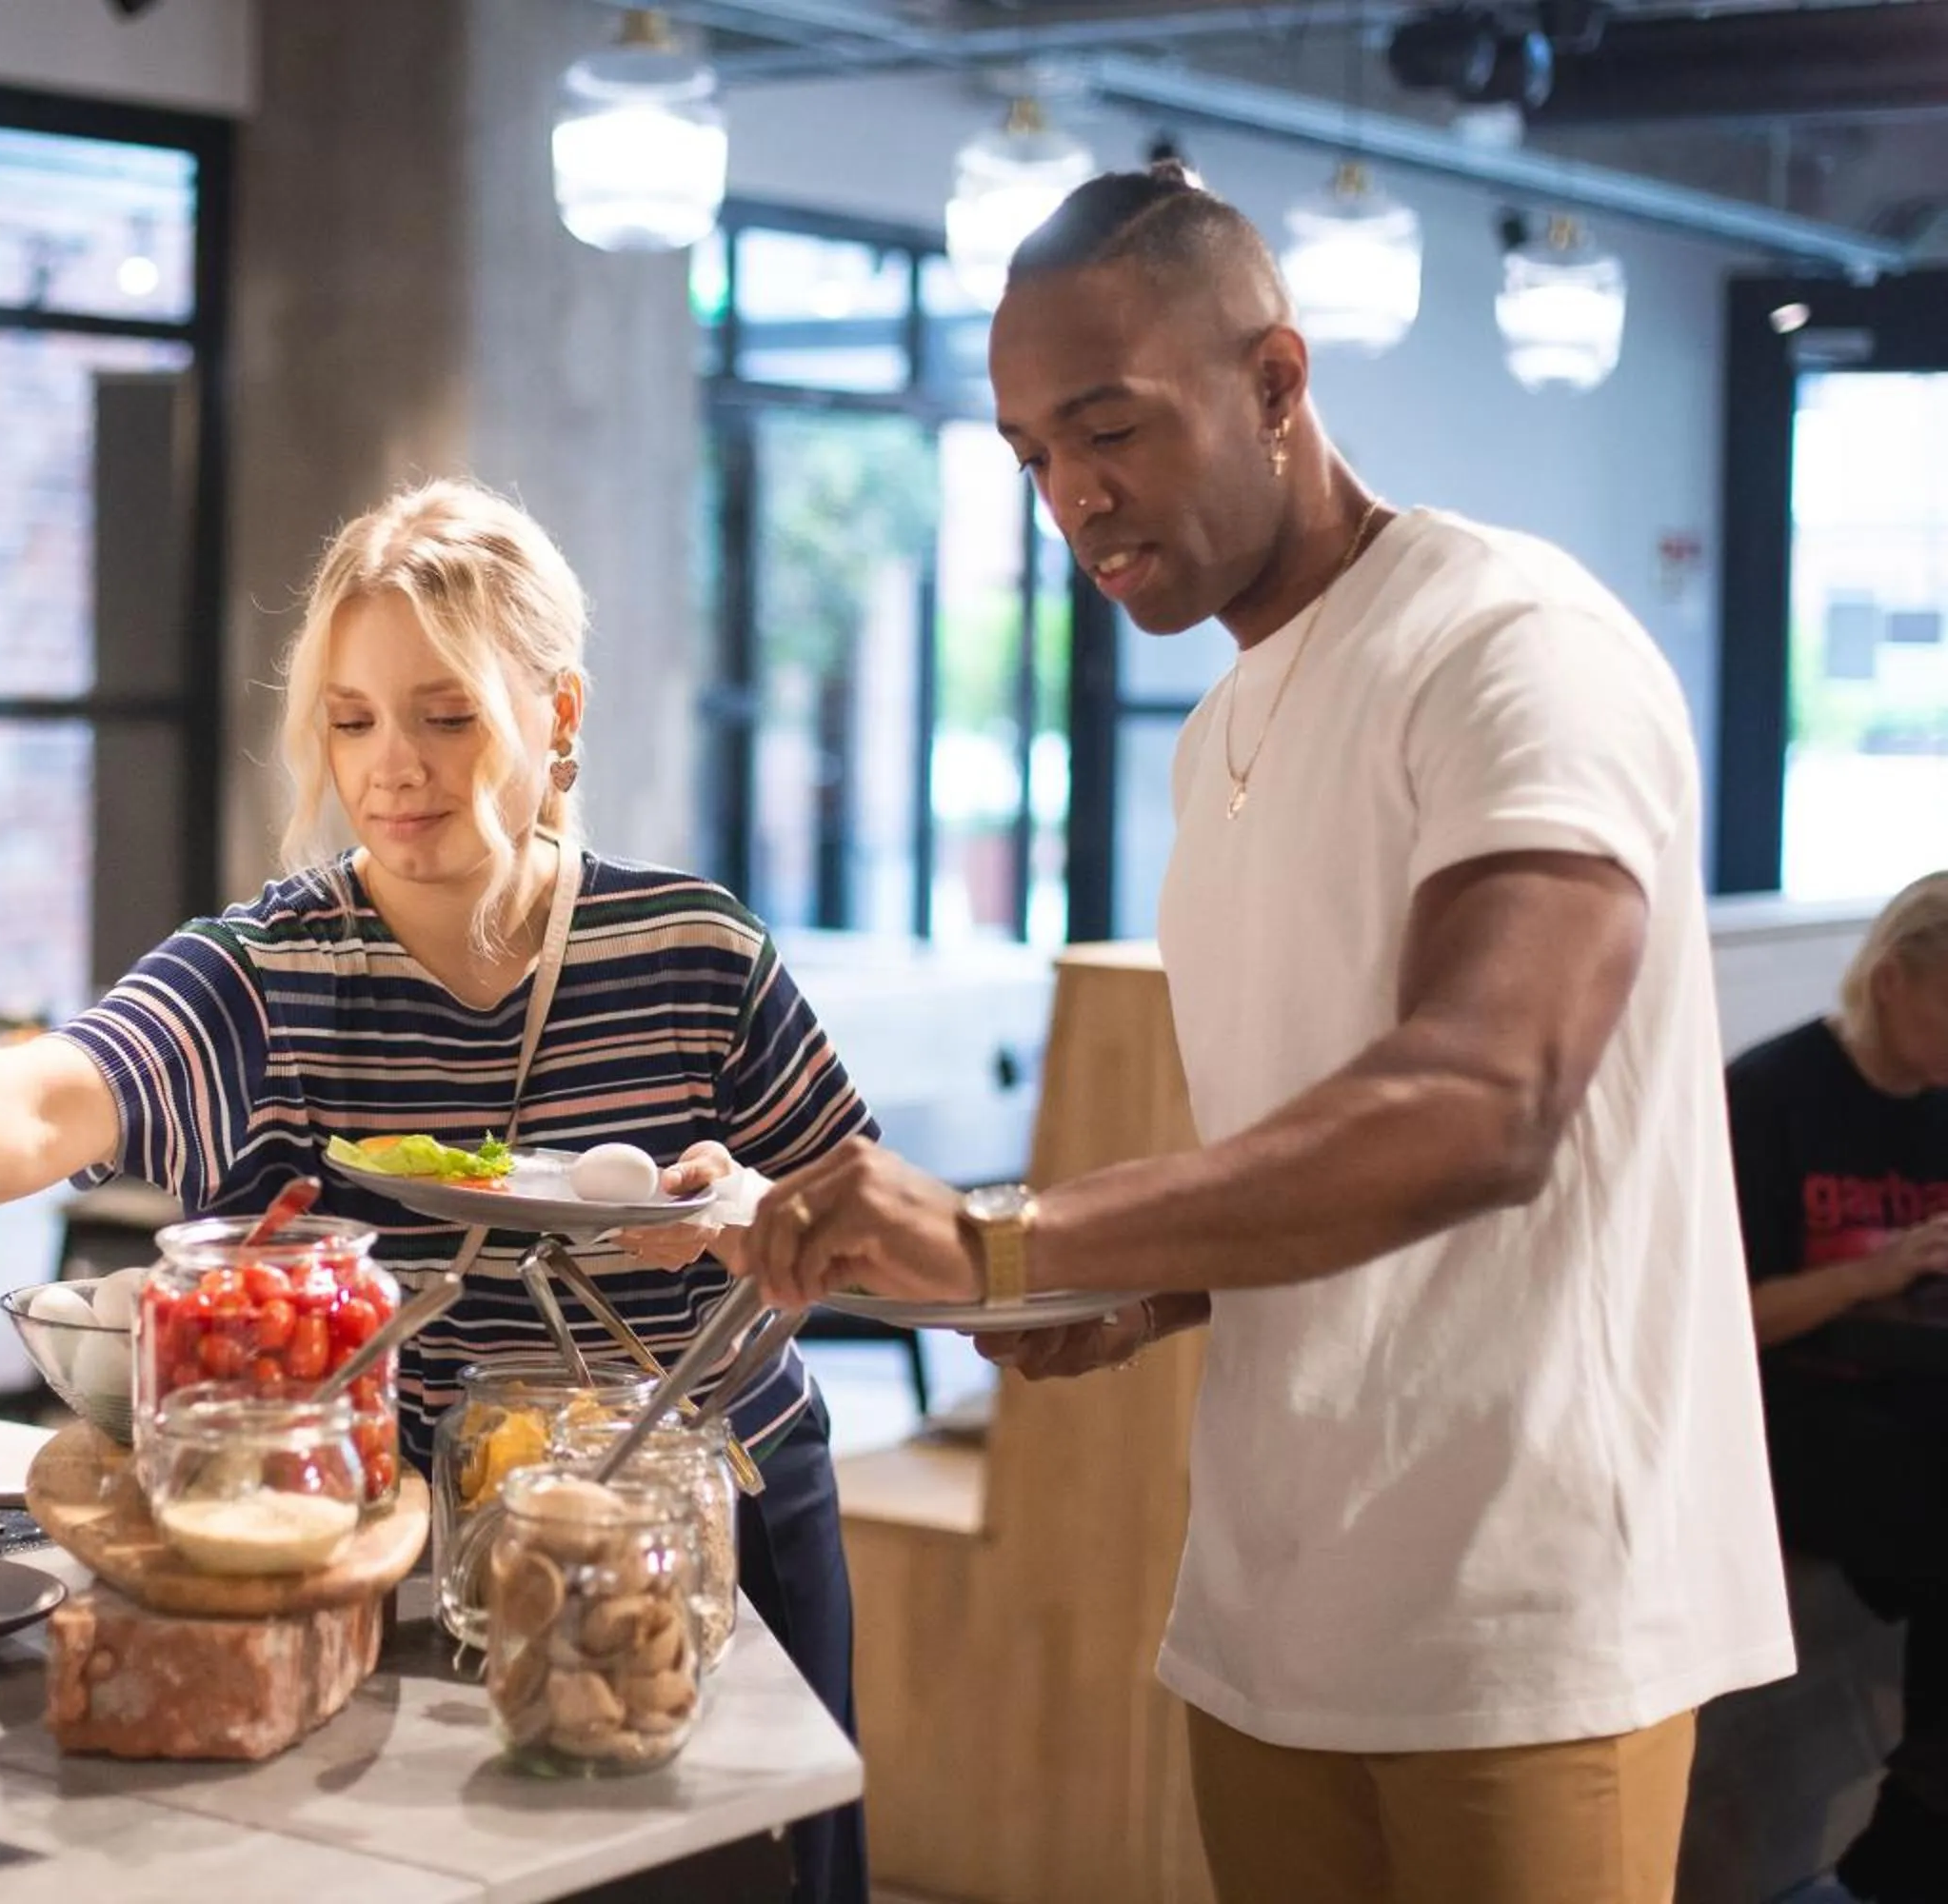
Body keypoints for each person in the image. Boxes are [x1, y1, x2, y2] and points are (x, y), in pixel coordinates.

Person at [728, 163, 1793, 1904]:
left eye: (1111, 430)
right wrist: (1145, 1286)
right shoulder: (1213, 728)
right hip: (1273, 1602)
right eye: (1032, 459)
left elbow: (1485, 1100)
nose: (1075, 497)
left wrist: (1018, 1235)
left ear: (1278, 383)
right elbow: (1318, 1143)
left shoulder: (1511, 645)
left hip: (1524, 1609)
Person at [0, 478, 877, 1904]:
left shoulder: (687, 946)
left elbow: (860, 1205)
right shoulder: (270, 970)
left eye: (447, 713)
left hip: (702, 1501)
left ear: (556, 714)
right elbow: (52, 1092)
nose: (393, 767)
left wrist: (750, 1202)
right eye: (352, 721)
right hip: (401, 1535)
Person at [1725, 870, 1948, 1900]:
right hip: (1785, 1411)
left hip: (1907, 1403)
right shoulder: (1772, 1095)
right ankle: (1914, 1832)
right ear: (1895, 979)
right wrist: (1880, 1268)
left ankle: (1916, 1823)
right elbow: (1731, 1323)